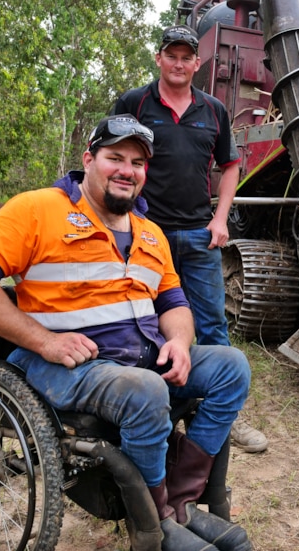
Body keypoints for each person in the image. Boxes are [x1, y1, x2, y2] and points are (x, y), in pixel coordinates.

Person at [0, 114, 251, 551]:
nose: (128, 170)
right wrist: (44, 340)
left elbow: (173, 303)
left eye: (138, 162)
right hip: (65, 364)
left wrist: (180, 343)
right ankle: (153, 526)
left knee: (232, 367)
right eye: (115, 157)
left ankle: (178, 503)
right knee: (144, 391)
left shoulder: (150, 233)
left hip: (139, 356)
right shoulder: (39, 209)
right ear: (89, 159)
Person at [113, 24, 268, 453]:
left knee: (213, 325)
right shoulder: (134, 103)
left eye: (187, 57)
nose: (179, 64)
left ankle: (226, 414)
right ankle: (152, 406)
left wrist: (220, 220)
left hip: (200, 237)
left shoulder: (213, 110)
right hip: (145, 236)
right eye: (171, 55)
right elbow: (109, 158)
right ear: (159, 58)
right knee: (141, 322)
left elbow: (231, 165)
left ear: (197, 64)